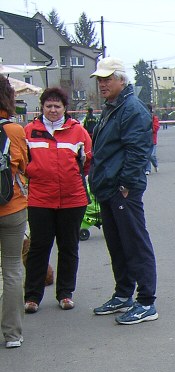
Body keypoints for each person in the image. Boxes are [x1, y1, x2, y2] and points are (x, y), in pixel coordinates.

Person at [88, 57, 159, 325]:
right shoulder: (113, 107)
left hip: (122, 190)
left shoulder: (131, 109)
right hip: (108, 188)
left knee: (135, 243)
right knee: (117, 245)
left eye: (107, 79)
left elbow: (138, 151)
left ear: (121, 79)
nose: (102, 84)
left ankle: (146, 302)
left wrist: (126, 185)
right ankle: (123, 294)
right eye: (100, 79)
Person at [22, 87, 92, 314]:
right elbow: (23, 164)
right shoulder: (30, 131)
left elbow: (87, 162)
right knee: (38, 248)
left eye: (57, 106)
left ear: (65, 108)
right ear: (42, 107)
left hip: (72, 199)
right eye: (48, 106)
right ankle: (32, 296)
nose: (52, 110)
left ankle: (65, 293)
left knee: (69, 247)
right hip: (40, 199)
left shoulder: (78, 132)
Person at [0, 76, 29, 348]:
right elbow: (23, 165)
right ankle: (13, 334)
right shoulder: (15, 130)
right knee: (11, 269)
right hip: (12, 207)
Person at [146, 104, 159, 174]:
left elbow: (156, 127)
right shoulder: (143, 117)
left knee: (152, 155)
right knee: (147, 155)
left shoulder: (154, 118)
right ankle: (147, 169)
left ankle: (155, 164)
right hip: (146, 140)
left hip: (153, 140)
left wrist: (150, 129)